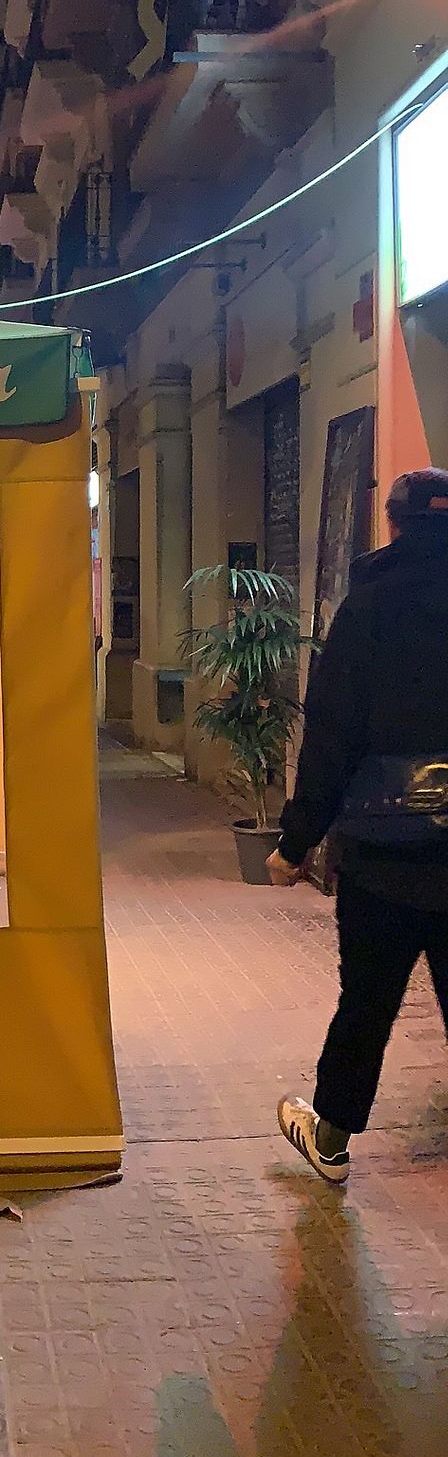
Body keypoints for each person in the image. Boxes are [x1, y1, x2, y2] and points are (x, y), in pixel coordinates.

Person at [269, 468, 448, 1183]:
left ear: (393, 522)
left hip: (384, 851)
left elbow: (332, 735)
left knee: (368, 1001)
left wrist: (296, 842)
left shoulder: (370, 604)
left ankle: (333, 1139)